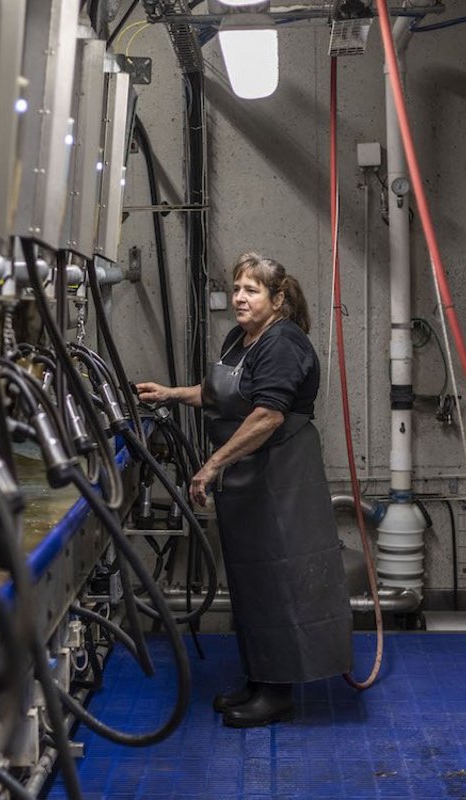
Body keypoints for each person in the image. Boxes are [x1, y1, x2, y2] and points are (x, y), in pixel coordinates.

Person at [136, 252, 352, 728]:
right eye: (236, 288)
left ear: (277, 300)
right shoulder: (242, 338)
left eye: (251, 290)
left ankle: (278, 693)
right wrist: (171, 394)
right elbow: (220, 393)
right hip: (248, 477)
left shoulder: (283, 343)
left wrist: (210, 465)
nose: (239, 297)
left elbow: (268, 414)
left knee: (279, 581)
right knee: (252, 582)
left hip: (280, 477)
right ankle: (258, 679)